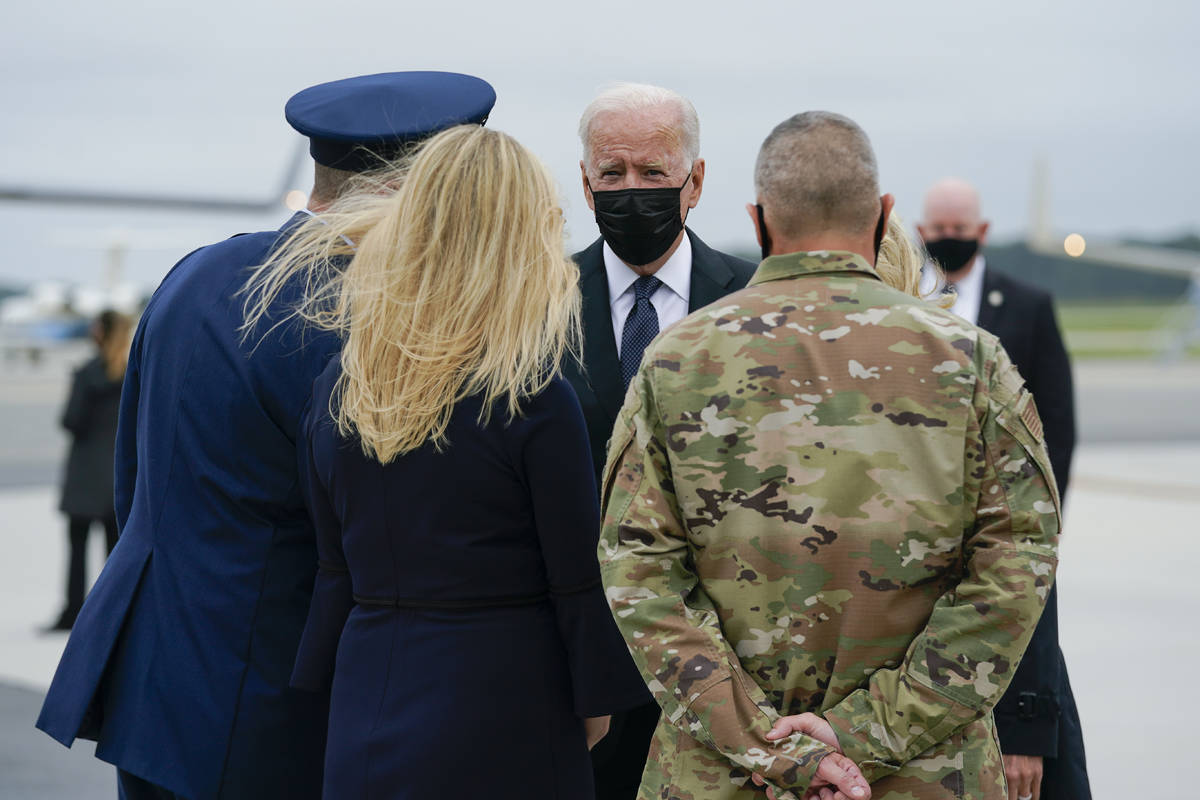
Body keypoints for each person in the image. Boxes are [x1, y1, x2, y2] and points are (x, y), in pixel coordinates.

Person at [36, 71, 497, 800]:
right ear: (417, 185)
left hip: (155, 686)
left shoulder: (194, 275)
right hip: (276, 701)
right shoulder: (368, 312)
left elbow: (138, 480)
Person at [598, 111, 1061, 800]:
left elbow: (638, 572)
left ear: (759, 221)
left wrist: (765, 744)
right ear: (885, 215)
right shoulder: (971, 361)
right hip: (921, 774)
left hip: (724, 774)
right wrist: (870, 732)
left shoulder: (676, 363)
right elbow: (1017, 565)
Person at [249, 124, 646, 799]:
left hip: (370, 686)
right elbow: (575, 573)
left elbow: (334, 565)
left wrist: (324, 684)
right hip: (508, 698)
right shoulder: (530, 396)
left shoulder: (345, 387)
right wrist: (595, 698)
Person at [562, 82, 757, 800]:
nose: (631, 191)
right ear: (585, 184)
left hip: (727, 674)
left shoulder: (754, 302)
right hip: (582, 680)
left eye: (653, 173)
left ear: (695, 181)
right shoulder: (539, 305)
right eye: (611, 175)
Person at [918, 178, 1090, 800]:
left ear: (983, 231)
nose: (948, 240)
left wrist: (1039, 523)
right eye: (937, 230)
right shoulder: (906, 305)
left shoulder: (1027, 303)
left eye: (959, 230)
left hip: (1010, 528)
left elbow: (1058, 427)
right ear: (918, 231)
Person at [46, 309, 132, 632]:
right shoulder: (130, 374)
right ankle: (113, 613)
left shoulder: (86, 374)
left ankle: (72, 613)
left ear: (100, 332)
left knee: (77, 549)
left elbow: (71, 421)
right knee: (114, 552)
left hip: (84, 476)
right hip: (116, 475)